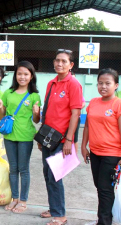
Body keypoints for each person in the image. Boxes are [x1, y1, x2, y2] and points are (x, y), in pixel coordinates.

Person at [39, 49, 82, 225]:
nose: (59, 64)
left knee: (55, 175)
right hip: (48, 136)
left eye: (64, 61)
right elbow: (48, 110)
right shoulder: (51, 83)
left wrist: (69, 140)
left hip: (62, 139)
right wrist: (42, 137)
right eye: (57, 60)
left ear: (71, 65)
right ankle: (53, 207)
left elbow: (75, 114)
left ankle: (60, 215)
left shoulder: (73, 84)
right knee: (47, 173)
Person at [0, 61, 41, 213]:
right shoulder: (8, 93)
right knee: (13, 168)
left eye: (26, 74)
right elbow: (2, 116)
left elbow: (36, 120)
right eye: (19, 73)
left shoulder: (34, 96)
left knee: (23, 169)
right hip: (9, 135)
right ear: (15, 75)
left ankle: (23, 201)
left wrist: (36, 112)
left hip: (26, 136)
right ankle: (14, 199)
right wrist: (0, 108)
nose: (22, 77)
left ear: (31, 76)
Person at [82, 68, 121, 225]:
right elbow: (87, 126)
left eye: (107, 83)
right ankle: (103, 219)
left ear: (116, 85)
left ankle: (104, 222)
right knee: (101, 187)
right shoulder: (93, 102)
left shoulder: (118, 104)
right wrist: (84, 146)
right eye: (100, 83)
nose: (103, 86)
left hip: (112, 154)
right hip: (95, 152)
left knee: (105, 190)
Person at [71, 72, 85, 153]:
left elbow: (83, 103)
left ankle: (74, 156)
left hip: (76, 118)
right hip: (64, 119)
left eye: (74, 78)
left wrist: (75, 108)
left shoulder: (77, 90)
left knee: (74, 139)